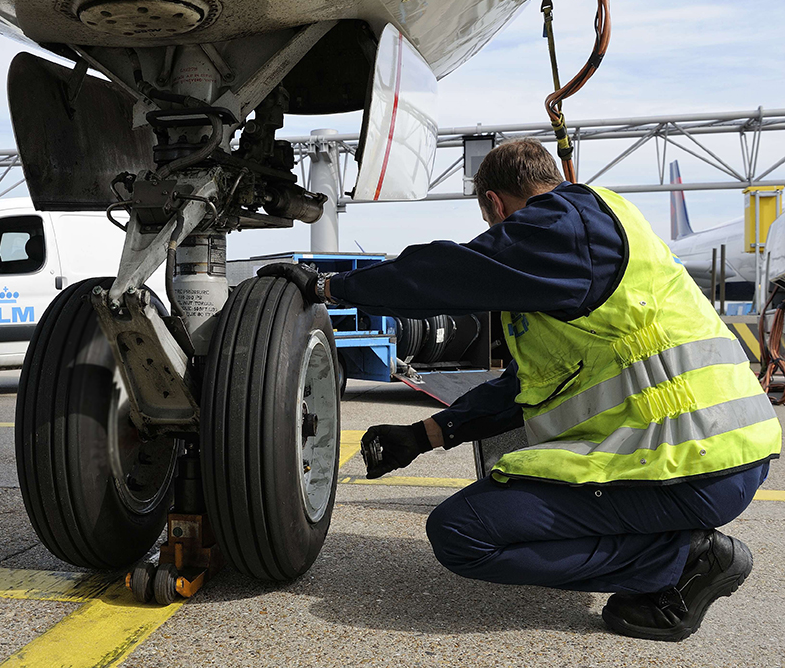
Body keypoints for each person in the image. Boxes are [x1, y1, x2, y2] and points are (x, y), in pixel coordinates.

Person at [257, 138, 781, 642]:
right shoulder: (600, 237)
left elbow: (452, 273)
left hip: (689, 465)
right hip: (727, 452)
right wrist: (421, 437)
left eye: (491, 226)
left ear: (494, 204)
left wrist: (331, 286)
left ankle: (684, 560)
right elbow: (525, 388)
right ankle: (673, 552)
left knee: (465, 534)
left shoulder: (562, 225)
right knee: (484, 511)